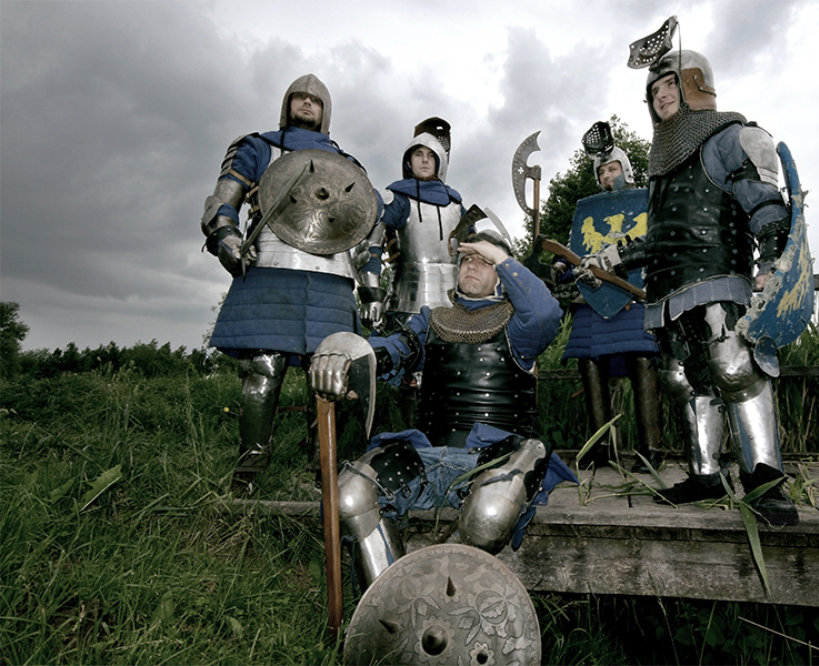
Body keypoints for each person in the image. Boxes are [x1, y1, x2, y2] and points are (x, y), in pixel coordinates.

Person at [588, 39, 799, 525]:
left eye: (670, 85)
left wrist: (772, 260)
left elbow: (766, 203)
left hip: (719, 278)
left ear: (695, 86)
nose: (661, 95)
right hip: (668, 290)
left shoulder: (732, 137)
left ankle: (766, 481)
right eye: (654, 91)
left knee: (734, 368)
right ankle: (706, 475)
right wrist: (614, 257)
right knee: (683, 379)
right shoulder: (661, 165)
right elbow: (664, 235)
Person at [310, 228, 574, 588]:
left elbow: (545, 314)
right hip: (426, 454)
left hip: (495, 457)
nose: (472, 265)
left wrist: (502, 257)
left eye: (485, 261)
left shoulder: (520, 326)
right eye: (467, 259)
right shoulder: (431, 321)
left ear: (502, 273)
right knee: (349, 496)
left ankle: (456, 601)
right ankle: (390, 604)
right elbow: (392, 350)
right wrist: (347, 358)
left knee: (491, 511)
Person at [200, 73, 380, 495]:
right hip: (271, 265)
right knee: (264, 369)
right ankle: (248, 476)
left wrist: (371, 285)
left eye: (315, 100)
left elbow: (370, 222)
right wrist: (227, 238)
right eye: (299, 97)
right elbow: (222, 202)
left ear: (326, 111)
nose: (307, 103)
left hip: (332, 275)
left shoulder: (348, 164)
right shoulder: (258, 147)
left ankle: (324, 476)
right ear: (287, 104)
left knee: (331, 375)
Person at [552, 122, 665, 471]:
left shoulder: (645, 201)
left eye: (612, 168)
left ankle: (651, 449)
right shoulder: (590, 210)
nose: (606, 175)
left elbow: (656, 245)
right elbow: (576, 249)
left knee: (642, 359)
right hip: (594, 297)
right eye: (601, 172)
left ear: (625, 169)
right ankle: (601, 448)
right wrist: (561, 264)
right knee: (589, 362)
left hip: (634, 295)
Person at [357, 117, 466, 334]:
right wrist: (372, 296)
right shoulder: (397, 199)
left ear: (439, 162)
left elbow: (476, 252)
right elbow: (369, 247)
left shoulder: (457, 206)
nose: (425, 160)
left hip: (454, 311)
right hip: (404, 308)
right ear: (408, 162)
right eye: (418, 154)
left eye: (431, 156)